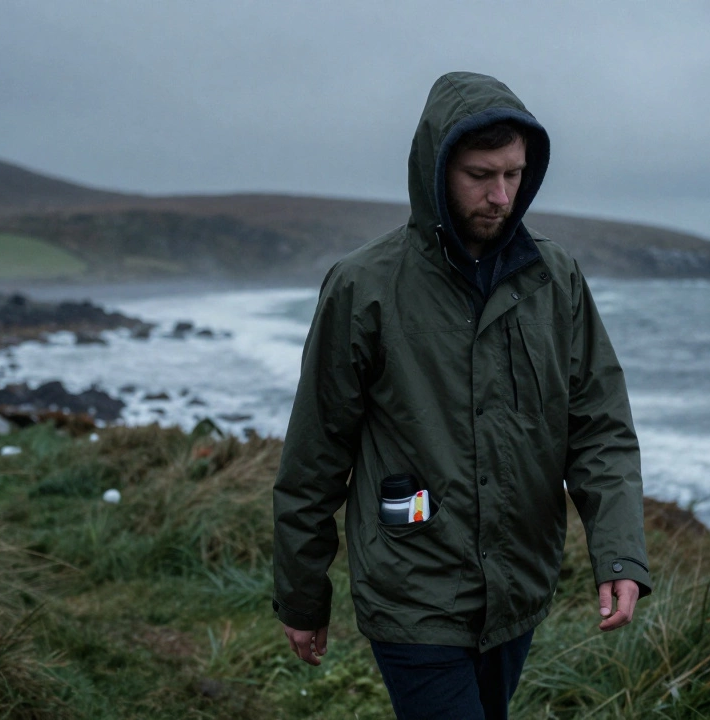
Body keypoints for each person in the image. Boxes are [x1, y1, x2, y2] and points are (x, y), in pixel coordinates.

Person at [272, 71, 650, 720]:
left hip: (518, 587)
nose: (501, 195)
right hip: (411, 586)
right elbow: (316, 457)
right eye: (480, 174)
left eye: (514, 174)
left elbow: (599, 429)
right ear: (437, 167)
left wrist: (618, 552)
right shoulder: (363, 287)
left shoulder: (555, 281)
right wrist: (302, 596)